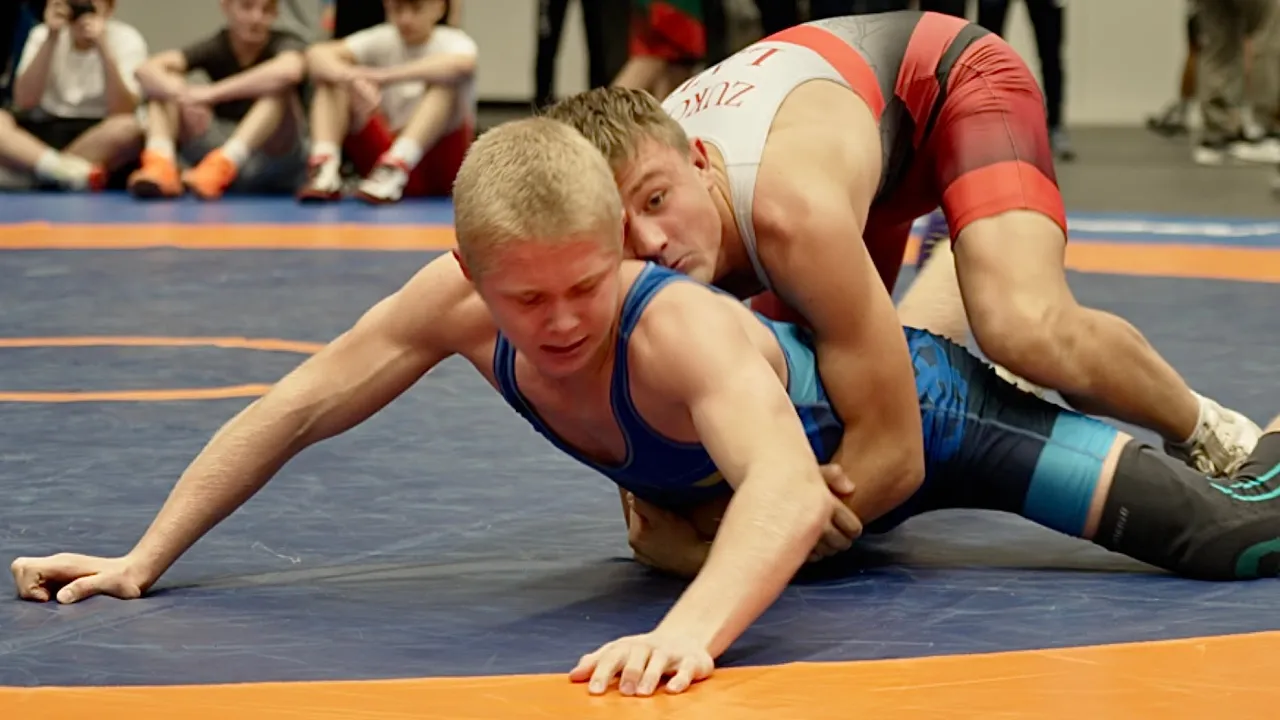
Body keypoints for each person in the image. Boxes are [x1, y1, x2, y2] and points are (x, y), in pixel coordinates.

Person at [12, 118, 1280, 699]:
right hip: (774, 479)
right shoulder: (444, 304)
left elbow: (785, 490)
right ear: (464, 278)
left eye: (587, 282)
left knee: (1223, 538)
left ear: (616, 247)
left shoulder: (670, 321)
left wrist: (691, 636)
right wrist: (142, 557)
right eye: (526, 300)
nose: (563, 321)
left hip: (924, 433)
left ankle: (960, 298)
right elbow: (291, 408)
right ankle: (934, 277)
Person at [541, 11, 1263, 534]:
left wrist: (750, 540)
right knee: (836, 385)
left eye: (659, 203)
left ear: (700, 166)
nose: (653, 243)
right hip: (852, 146)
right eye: (621, 231)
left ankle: (1213, 431)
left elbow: (893, 460)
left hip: (949, 84)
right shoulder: (636, 226)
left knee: (1023, 328)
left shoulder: (786, 214)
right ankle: (954, 252)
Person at [297, 0, 477, 204]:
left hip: (440, 172)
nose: (405, 19)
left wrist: (383, 77)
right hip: (381, 170)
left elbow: (464, 65)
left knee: (446, 84)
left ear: (438, 8)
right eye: (398, 10)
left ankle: (398, 162)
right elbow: (315, 54)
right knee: (331, 79)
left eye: (416, 9)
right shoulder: (383, 37)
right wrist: (352, 77)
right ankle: (324, 170)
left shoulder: (453, 41)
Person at [128, 0, 310, 200]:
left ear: (275, 15)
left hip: (273, 159)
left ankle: (226, 162)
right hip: (213, 153)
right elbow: (145, 69)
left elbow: (289, 71)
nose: (256, 18)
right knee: (163, 84)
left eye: (266, 10)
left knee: (278, 90)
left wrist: (211, 93)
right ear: (227, 7)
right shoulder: (218, 44)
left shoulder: (285, 43)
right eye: (247, 7)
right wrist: (182, 94)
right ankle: (160, 164)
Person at [0, 0, 147, 191]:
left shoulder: (127, 39)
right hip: (44, 127)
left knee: (130, 129)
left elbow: (123, 110)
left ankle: (39, 172)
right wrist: (51, 38)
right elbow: (25, 101)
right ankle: (62, 171)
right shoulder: (42, 34)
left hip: (98, 133)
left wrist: (103, 48)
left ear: (109, 8)